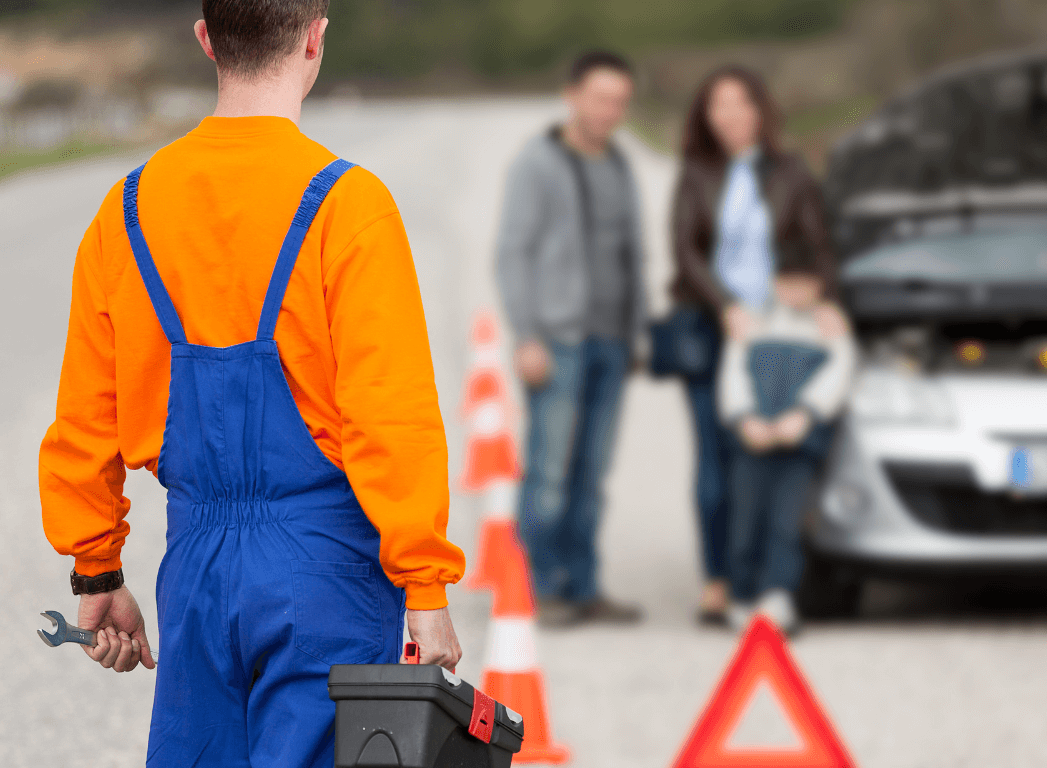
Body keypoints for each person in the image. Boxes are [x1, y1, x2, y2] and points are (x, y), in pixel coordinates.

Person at [37, 2, 466, 765]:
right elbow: (388, 415)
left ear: (206, 39)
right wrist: (425, 587)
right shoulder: (347, 205)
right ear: (314, 36)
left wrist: (95, 568)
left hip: (195, 569)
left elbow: (83, 414)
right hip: (324, 565)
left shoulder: (127, 210)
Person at [670, 66, 841, 625]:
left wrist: (826, 302)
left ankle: (773, 580)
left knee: (774, 456)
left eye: (741, 103)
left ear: (760, 110)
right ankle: (720, 579)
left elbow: (817, 243)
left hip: (777, 333)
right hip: (711, 326)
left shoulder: (791, 172)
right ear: (705, 115)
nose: (731, 115)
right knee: (715, 460)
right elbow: (686, 252)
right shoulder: (695, 174)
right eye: (718, 105)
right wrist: (727, 308)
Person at [495, 51, 648, 627]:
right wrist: (526, 335)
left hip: (611, 341)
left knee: (592, 475)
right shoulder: (537, 163)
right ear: (573, 95)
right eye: (601, 97)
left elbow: (632, 253)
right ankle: (536, 588)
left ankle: (584, 586)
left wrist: (635, 333)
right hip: (557, 342)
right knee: (550, 472)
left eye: (620, 101)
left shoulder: (619, 163)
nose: (611, 110)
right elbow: (514, 252)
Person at [718, 265, 855, 636]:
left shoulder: (829, 329)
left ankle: (777, 595)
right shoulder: (752, 324)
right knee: (745, 520)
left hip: (798, 445)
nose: (795, 291)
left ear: (818, 285)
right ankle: (742, 596)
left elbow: (839, 374)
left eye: (804, 282)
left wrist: (806, 415)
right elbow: (733, 373)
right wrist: (744, 418)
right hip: (752, 442)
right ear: (775, 284)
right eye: (787, 282)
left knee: (787, 521)